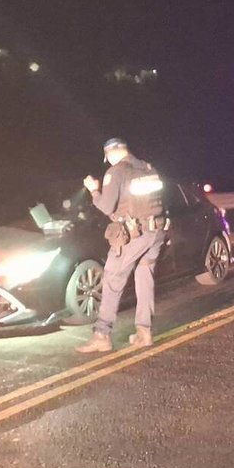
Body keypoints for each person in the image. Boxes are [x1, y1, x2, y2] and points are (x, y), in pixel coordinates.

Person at [76, 138, 167, 353]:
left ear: (109, 154)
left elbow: (107, 206)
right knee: (144, 278)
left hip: (135, 233)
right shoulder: (147, 168)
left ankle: (102, 335)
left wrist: (94, 191)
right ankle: (144, 333)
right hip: (156, 231)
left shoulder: (116, 172)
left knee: (112, 278)